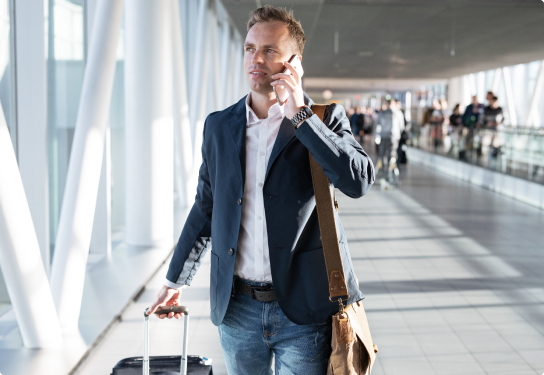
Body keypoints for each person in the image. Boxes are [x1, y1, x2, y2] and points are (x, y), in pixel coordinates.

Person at [146, 6, 375, 375]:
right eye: (250, 48)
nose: (257, 59)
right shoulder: (220, 126)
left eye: (270, 50)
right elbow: (206, 207)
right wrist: (177, 279)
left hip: (302, 310)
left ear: (294, 63)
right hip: (237, 308)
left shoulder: (324, 117)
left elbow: (358, 181)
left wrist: (300, 116)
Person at [374, 99, 404, 179]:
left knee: (382, 154)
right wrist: (398, 135)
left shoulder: (382, 114)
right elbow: (401, 127)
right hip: (394, 137)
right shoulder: (398, 113)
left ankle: (383, 171)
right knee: (392, 154)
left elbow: (376, 125)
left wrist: (376, 136)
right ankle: (390, 172)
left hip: (383, 136)